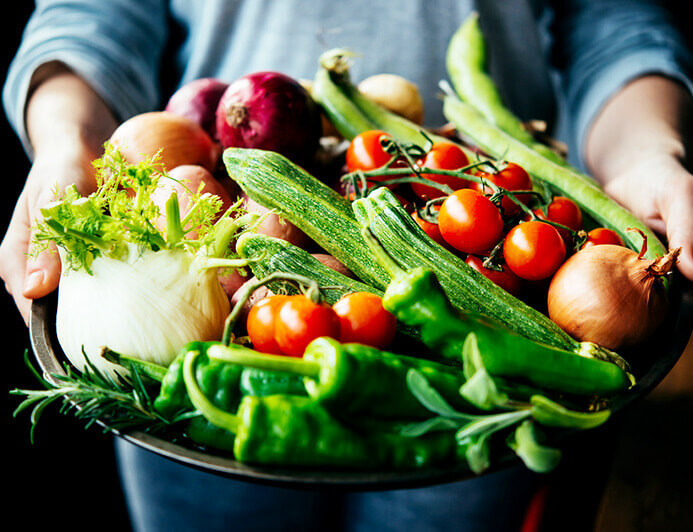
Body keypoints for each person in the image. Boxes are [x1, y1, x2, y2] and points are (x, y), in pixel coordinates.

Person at [2, 1, 691, 531]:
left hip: (485, 329)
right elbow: (91, 12)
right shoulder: (238, 198)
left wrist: (644, 156)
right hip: (205, 307)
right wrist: (68, 142)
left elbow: (610, 19)